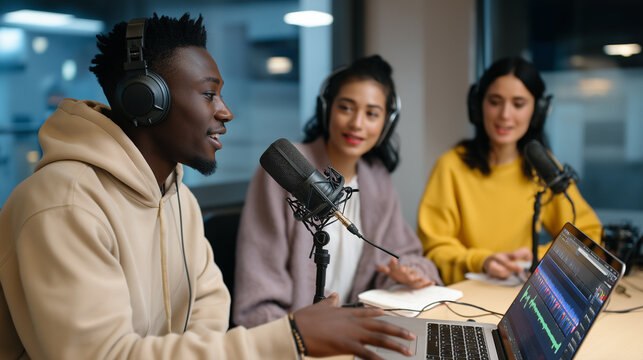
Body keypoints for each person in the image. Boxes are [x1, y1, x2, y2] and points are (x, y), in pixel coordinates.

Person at [0, 14, 418, 359]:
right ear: (147, 100)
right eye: (208, 94)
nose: (226, 112)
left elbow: (210, 308)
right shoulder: (62, 204)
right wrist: (289, 338)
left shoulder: (178, 196)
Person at [234, 55, 443, 328]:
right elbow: (258, 296)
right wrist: (295, 338)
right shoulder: (287, 169)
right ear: (327, 109)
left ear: (386, 124)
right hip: (291, 340)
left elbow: (404, 255)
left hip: (352, 334)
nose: (357, 123)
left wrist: (408, 274)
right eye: (346, 107)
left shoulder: (376, 179)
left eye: (371, 114)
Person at [417, 56, 602, 285]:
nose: (505, 115)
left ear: (538, 111)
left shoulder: (542, 168)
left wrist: (539, 258)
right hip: (466, 298)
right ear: (478, 105)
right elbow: (434, 248)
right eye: (495, 102)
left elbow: (589, 235)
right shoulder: (450, 166)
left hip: (523, 296)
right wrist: (482, 261)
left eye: (518, 104)